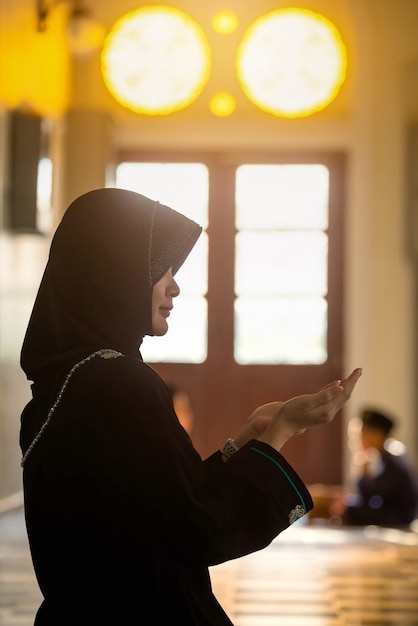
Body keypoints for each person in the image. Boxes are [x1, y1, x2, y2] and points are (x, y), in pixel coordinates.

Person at [19, 188, 362, 625]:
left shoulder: (70, 378)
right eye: (158, 269)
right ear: (112, 271)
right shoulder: (120, 383)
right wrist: (283, 430)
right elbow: (201, 529)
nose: (175, 285)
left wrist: (249, 436)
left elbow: (161, 503)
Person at [342, 408, 418, 526]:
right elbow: (366, 498)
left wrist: (366, 477)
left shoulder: (395, 458)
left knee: (351, 510)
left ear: (377, 435)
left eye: (362, 434)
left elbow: (379, 494)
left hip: (398, 517)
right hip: (388, 512)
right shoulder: (380, 458)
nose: (358, 440)